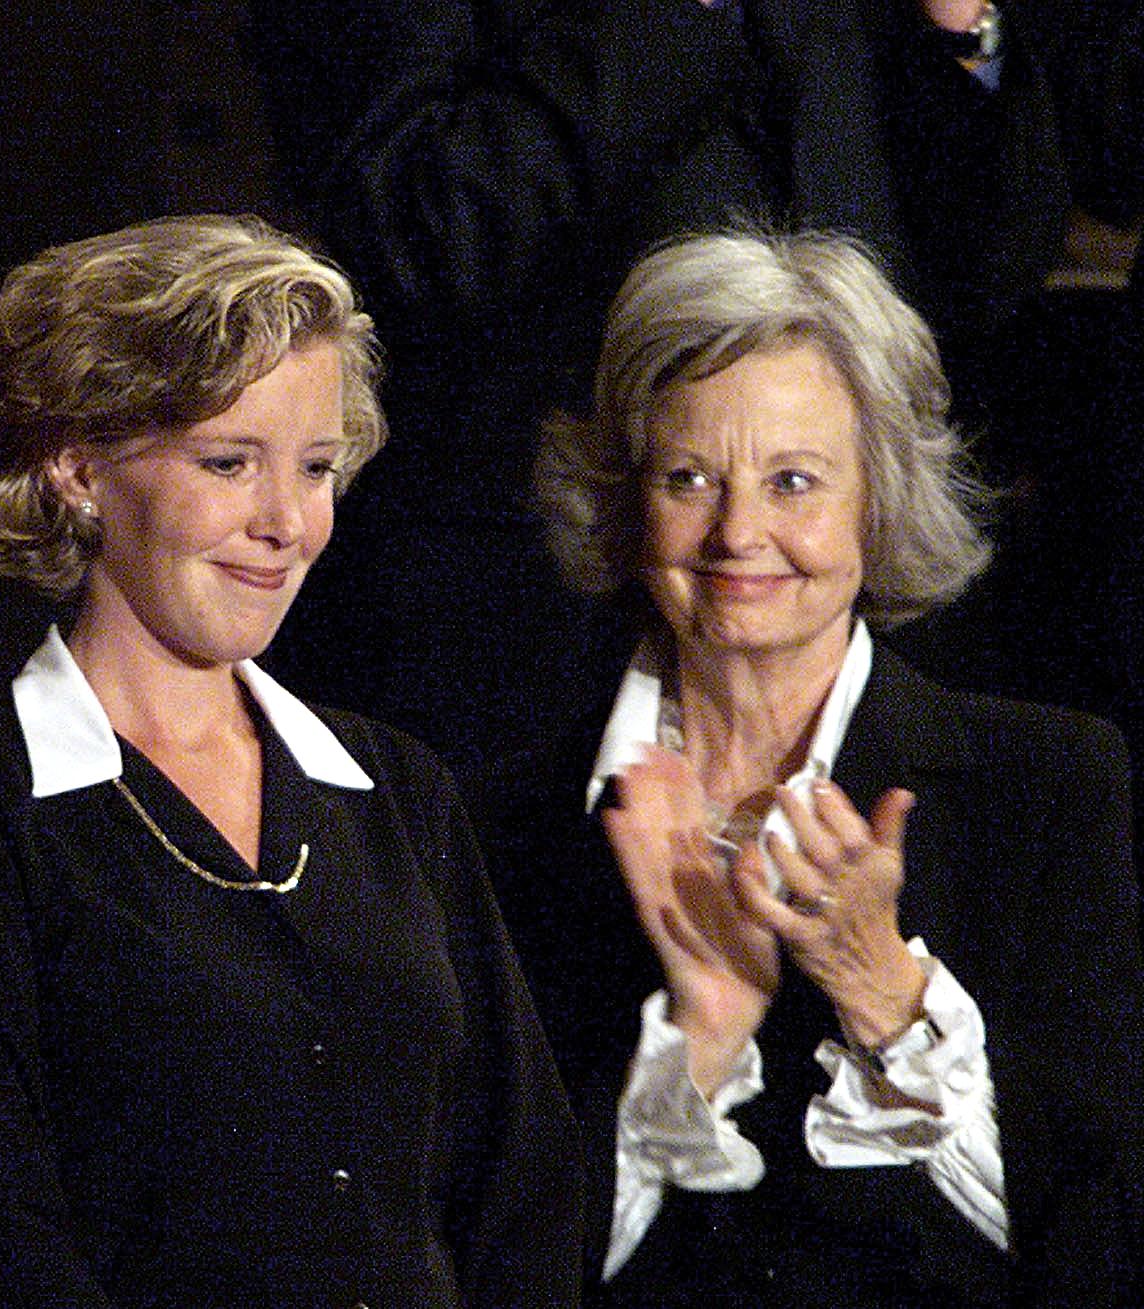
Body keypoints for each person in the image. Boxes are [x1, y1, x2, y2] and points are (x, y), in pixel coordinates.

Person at [0, 215, 582, 1308]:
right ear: (76, 467)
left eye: (316, 467)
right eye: (229, 463)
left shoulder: (394, 789)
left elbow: (521, 1190)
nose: (285, 522)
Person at [482, 230, 1144, 1305]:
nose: (737, 532)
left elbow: (1105, 1253)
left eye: (792, 481)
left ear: (876, 499)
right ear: (623, 496)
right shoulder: (492, 824)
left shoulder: (1050, 785)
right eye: (688, 477)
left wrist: (885, 996)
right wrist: (696, 1041)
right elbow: (476, 1269)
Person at [250, 0, 1089, 781]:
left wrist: (960, 30)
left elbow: (994, 271)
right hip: (521, 608)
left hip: (875, 599)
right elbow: (419, 231)